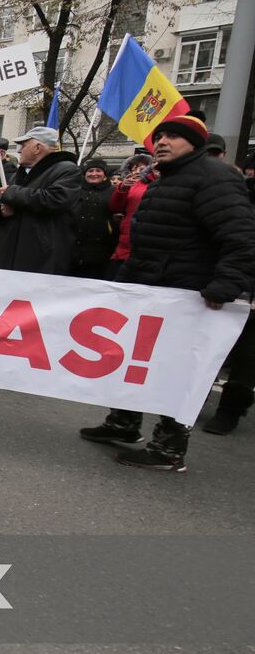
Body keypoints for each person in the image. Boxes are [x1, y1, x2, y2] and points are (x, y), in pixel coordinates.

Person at [78, 115, 255, 471]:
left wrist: (224, 285)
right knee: (134, 361)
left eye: (174, 136)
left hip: (189, 295)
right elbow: (148, 241)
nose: (162, 142)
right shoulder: (163, 180)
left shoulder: (214, 179)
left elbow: (240, 238)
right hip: (153, 291)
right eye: (160, 136)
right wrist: (127, 280)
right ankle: (124, 424)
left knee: (175, 370)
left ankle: (168, 447)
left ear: (195, 143)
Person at [0, 126, 81, 275]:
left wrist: (13, 193)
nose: (18, 151)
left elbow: (56, 199)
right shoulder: (18, 175)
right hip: (8, 254)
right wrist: (0, 212)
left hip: (40, 256)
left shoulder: (67, 170)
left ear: (37, 147)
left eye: (23, 146)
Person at [108, 152, 153, 279]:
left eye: (141, 167)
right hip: (124, 241)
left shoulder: (152, 185)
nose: (136, 171)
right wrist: (122, 190)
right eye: (133, 167)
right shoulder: (126, 185)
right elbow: (115, 207)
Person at [70, 157, 118, 279]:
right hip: (73, 248)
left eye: (98, 171)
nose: (94, 174)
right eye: (90, 171)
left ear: (104, 174)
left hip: (101, 250)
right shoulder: (75, 190)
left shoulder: (114, 191)